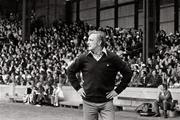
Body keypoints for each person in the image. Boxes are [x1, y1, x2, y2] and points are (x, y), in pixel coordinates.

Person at [67, 30, 132, 120]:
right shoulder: (83, 57)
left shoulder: (112, 57)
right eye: (88, 40)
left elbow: (128, 73)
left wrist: (117, 90)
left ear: (99, 42)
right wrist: (78, 88)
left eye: (91, 40)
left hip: (106, 102)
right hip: (88, 102)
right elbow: (70, 71)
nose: (88, 42)